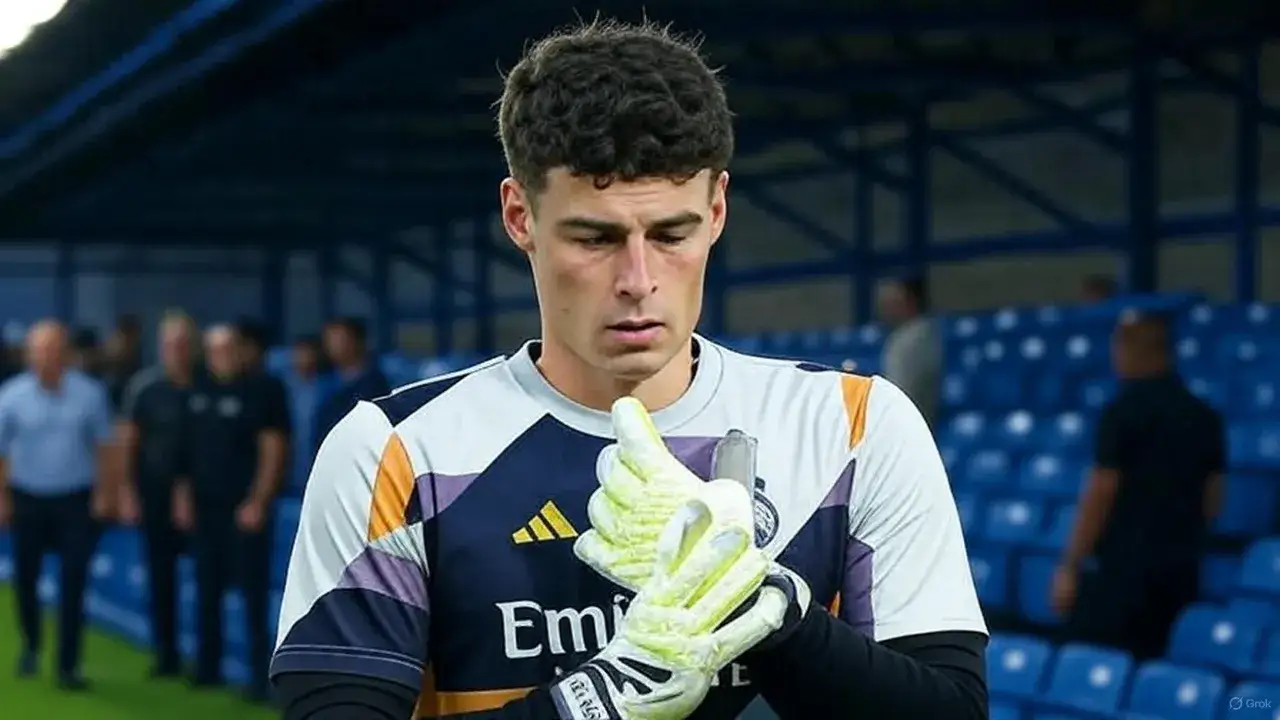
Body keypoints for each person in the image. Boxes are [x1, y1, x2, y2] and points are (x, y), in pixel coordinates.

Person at [270, 19, 987, 720]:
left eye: (672, 233)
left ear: (717, 209)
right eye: (596, 237)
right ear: (520, 217)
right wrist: (601, 696)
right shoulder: (395, 453)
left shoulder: (854, 427)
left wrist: (764, 610)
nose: (638, 278)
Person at [1052, 312, 1224, 660]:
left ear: (1134, 350)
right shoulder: (1204, 415)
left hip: (1121, 577)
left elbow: (1102, 491)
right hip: (1180, 572)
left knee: (1099, 667)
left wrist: (1070, 565)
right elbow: (1214, 497)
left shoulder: (1122, 413)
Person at [0, 320, 115, 690]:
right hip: (27, 498)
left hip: (74, 500)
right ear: (29, 354)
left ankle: (69, 665)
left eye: (53, 348)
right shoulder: (11, 395)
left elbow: (105, 447)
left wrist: (105, 493)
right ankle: (31, 645)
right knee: (27, 579)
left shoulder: (90, 394)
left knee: (73, 582)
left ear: (65, 353)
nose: (46, 356)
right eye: (39, 349)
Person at [178, 324, 288, 702]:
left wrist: (259, 499)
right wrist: (184, 496)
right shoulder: (198, 388)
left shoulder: (264, 389)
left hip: (245, 507)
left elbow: (273, 448)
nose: (219, 357)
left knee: (253, 594)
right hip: (206, 508)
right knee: (207, 589)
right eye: (213, 350)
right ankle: (208, 667)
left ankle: (260, 677)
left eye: (226, 349)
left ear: (242, 351)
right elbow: (187, 450)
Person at [117, 310, 198, 678]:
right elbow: (128, 443)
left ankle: (208, 659)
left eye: (183, 343)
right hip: (156, 494)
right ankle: (166, 654)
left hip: (206, 498)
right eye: (170, 344)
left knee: (210, 578)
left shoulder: (208, 384)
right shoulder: (145, 388)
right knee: (161, 576)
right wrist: (127, 493)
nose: (176, 351)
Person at [312, 317, 389, 451]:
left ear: (356, 341)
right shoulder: (324, 381)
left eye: (338, 340)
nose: (331, 346)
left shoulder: (374, 385)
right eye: (328, 340)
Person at [878, 275, 942, 429]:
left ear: (910, 302)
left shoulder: (913, 339)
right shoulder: (912, 334)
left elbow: (900, 394)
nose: (887, 308)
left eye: (894, 301)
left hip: (910, 429)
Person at [285, 335, 325, 492]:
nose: (302, 358)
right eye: (298, 353)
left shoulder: (331, 388)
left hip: (318, 473)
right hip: (287, 478)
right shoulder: (283, 388)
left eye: (307, 353)